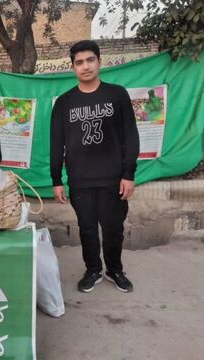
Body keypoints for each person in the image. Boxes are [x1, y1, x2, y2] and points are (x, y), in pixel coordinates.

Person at [50, 40, 139, 293]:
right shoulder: (64, 103)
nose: (85, 66)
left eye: (90, 60)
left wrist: (128, 174)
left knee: (113, 229)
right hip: (80, 179)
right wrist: (56, 179)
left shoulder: (117, 94)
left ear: (99, 62)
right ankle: (93, 270)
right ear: (72, 67)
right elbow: (56, 143)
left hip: (113, 177)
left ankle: (114, 270)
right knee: (87, 229)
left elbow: (130, 136)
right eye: (79, 62)